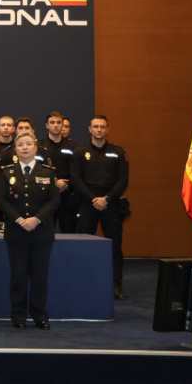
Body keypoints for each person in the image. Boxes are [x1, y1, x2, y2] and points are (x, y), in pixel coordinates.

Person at [0, 133, 60, 329]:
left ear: (36, 148)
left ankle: (39, 315)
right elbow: (1, 200)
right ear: (15, 149)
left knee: (40, 276)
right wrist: (18, 219)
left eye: (28, 144)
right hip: (16, 232)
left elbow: (54, 200)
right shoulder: (6, 172)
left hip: (41, 232)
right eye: (20, 145)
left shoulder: (48, 172)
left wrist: (36, 219)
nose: (24, 147)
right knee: (18, 275)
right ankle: (18, 316)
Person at [73, 115, 130, 299]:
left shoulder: (118, 152)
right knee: (83, 245)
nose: (99, 130)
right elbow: (76, 179)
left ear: (107, 129)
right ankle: (82, 282)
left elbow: (123, 180)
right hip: (87, 203)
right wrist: (93, 199)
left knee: (115, 246)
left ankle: (116, 285)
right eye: (95, 126)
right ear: (89, 129)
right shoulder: (80, 152)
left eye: (102, 127)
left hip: (111, 204)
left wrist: (106, 198)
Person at [40, 110, 79, 233]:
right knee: (45, 232)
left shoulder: (74, 146)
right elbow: (37, 169)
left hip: (67, 195)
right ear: (47, 125)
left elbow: (77, 171)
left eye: (58, 122)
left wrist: (66, 184)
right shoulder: (39, 146)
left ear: (63, 125)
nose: (55, 125)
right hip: (45, 196)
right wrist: (54, 182)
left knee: (69, 231)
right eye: (52, 122)